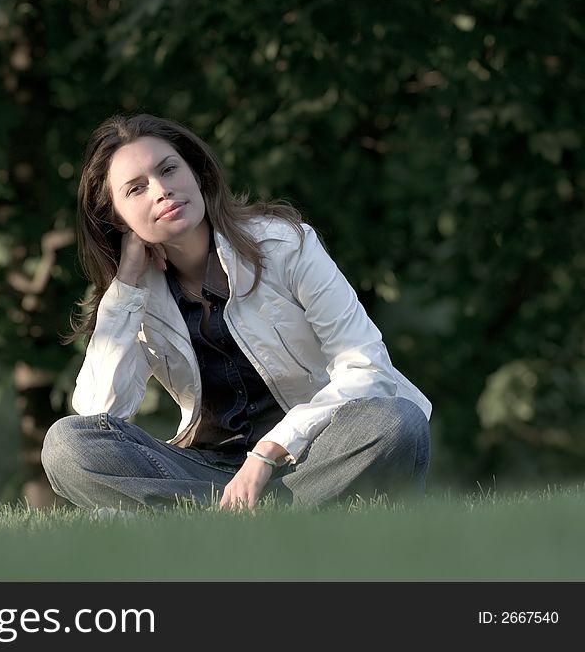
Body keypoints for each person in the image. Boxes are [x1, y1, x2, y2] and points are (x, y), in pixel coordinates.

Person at [41, 113, 431, 512]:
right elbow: (98, 415)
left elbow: (368, 368)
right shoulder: (135, 296)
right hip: (207, 474)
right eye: (136, 189)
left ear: (196, 173)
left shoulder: (284, 245)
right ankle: (248, 521)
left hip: (312, 458)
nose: (161, 191)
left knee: (398, 420)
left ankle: (214, 528)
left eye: (169, 169)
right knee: (65, 446)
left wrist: (266, 453)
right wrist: (126, 284)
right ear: (116, 218)